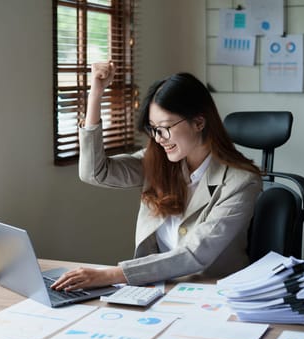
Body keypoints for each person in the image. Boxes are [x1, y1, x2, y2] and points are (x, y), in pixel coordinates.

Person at [51, 62, 262, 292]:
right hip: (157, 290)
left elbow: (194, 253)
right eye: (153, 129)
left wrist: (109, 275)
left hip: (214, 294)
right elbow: (95, 173)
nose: (159, 138)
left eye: (164, 127)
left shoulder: (241, 181)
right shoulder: (157, 161)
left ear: (199, 122)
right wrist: (96, 94)